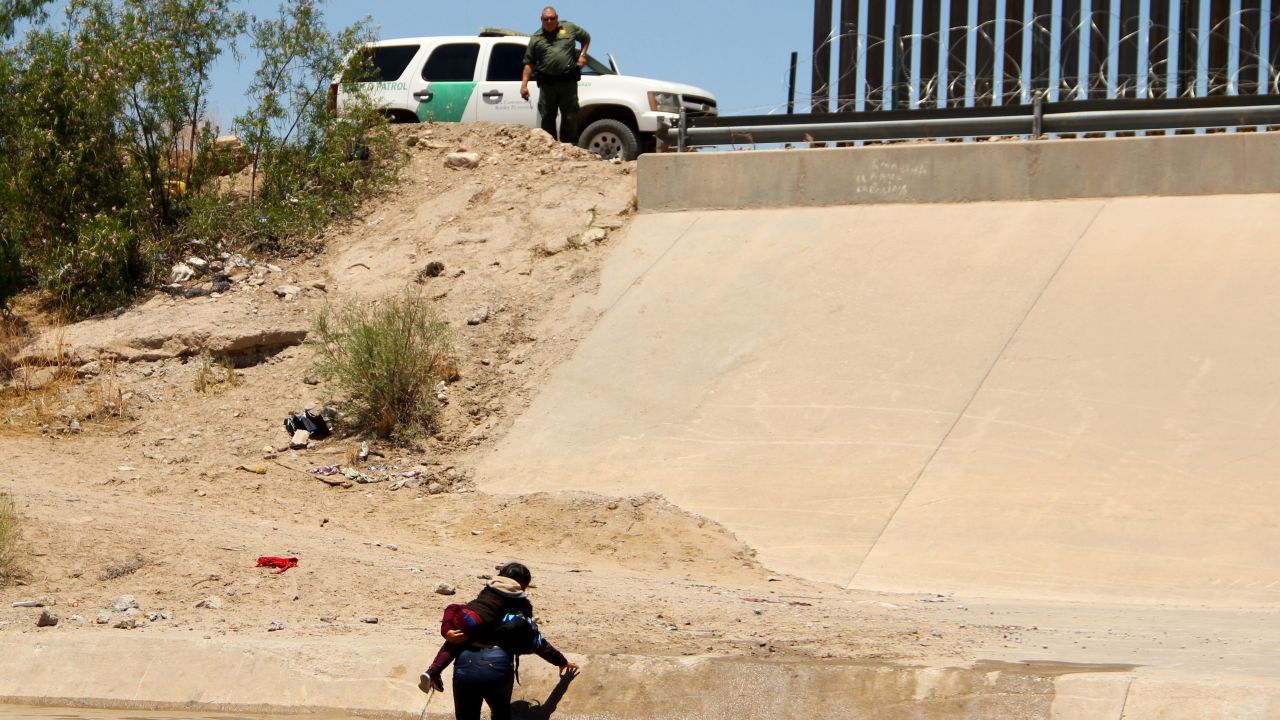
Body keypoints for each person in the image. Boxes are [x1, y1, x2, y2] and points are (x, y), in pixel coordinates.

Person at [419, 562, 579, 720]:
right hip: (498, 666)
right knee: (500, 715)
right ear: (523, 585)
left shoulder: (482, 602)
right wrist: (561, 661)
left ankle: (433, 671)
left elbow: (452, 608)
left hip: (465, 666)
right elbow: (536, 642)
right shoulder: (521, 609)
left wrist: (446, 631)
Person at [520, 6, 590, 144]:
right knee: (547, 116)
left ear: (557, 17)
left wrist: (582, 55)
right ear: (541, 19)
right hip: (548, 84)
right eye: (546, 19)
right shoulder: (536, 38)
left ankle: (569, 147)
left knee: (570, 116)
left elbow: (586, 38)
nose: (550, 21)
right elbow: (529, 64)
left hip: (568, 81)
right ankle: (549, 146)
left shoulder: (569, 28)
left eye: (553, 18)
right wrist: (524, 85)